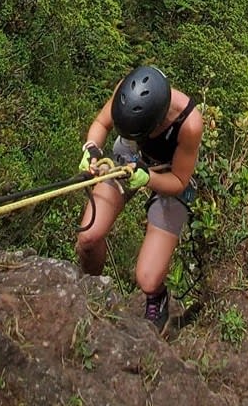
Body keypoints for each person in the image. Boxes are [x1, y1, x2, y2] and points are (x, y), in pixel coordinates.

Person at [76, 64, 203, 333]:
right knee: (88, 237)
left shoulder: (189, 124)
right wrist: (92, 149)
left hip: (169, 174)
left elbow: (179, 181)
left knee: (147, 278)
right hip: (129, 158)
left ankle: (157, 296)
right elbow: (101, 123)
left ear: (156, 124)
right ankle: (92, 290)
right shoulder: (128, 92)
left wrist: (148, 179)